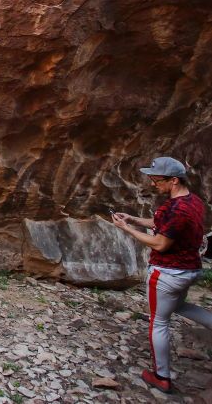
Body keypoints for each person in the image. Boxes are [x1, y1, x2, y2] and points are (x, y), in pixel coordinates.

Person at [111, 156, 212, 394]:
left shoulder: (179, 209)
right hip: (190, 270)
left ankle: (161, 376)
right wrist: (132, 218)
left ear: (174, 180)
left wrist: (127, 229)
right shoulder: (193, 202)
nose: (153, 184)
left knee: (159, 322)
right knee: (179, 306)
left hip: (167, 272)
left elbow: (160, 243)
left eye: (157, 180)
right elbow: (161, 223)